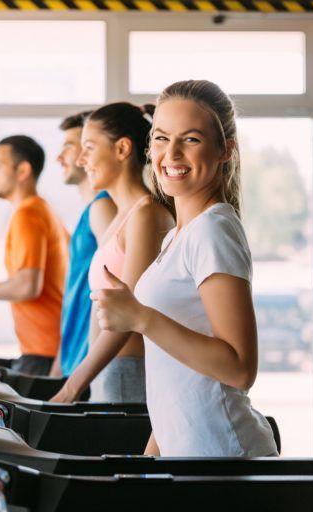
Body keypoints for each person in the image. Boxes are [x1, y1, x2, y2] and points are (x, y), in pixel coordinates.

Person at [89, 80, 278, 457]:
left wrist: (141, 318)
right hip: (188, 455)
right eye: (160, 138)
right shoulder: (175, 237)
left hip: (223, 458)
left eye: (190, 139)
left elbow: (240, 369)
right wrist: (152, 456)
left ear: (226, 149)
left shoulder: (214, 229)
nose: (170, 153)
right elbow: (175, 378)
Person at [50, 103, 175, 402]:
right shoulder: (123, 216)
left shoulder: (146, 215)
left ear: (122, 149)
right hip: (109, 372)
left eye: (89, 148)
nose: (82, 160)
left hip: (126, 372)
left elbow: (127, 313)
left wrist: (71, 386)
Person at [0, 135, 69, 376]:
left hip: (44, 354)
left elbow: (27, 286)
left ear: (23, 170)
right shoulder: (44, 210)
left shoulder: (27, 216)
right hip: (51, 348)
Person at [49, 111, 117, 378]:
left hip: (90, 364)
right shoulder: (89, 213)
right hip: (74, 361)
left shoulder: (104, 208)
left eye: (69, 145)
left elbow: (114, 288)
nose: (60, 157)